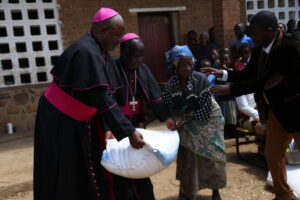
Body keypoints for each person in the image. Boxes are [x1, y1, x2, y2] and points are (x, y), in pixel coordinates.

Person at [34, 8, 146, 200]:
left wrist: (107, 126)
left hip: (79, 120)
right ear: (103, 29)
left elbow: (106, 93)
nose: (119, 40)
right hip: (59, 122)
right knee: (66, 172)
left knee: (86, 169)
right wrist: (129, 132)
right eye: (116, 35)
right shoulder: (86, 51)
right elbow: (101, 97)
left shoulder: (100, 50)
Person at [201, 11, 300, 200]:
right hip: (274, 112)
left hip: (296, 112)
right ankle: (283, 195)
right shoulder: (259, 49)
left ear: (269, 31)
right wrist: (223, 74)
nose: (251, 37)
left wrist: (231, 90)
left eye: (254, 32)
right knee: (273, 157)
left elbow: (265, 81)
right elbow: (248, 75)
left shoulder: (288, 48)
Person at [106, 33, 175, 200]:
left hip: (138, 126)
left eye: (142, 56)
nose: (140, 60)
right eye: (137, 56)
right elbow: (105, 103)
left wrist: (166, 118)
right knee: (121, 169)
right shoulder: (111, 68)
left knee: (140, 165)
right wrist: (108, 128)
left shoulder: (142, 70)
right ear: (124, 53)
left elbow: (155, 97)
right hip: (117, 128)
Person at [163, 45, 226, 200]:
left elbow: (205, 108)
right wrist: (173, 122)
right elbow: (168, 108)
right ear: (175, 66)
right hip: (188, 118)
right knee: (188, 155)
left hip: (210, 118)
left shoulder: (201, 80)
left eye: (190, 64)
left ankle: (215, 191)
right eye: (184, 64)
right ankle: (188, 192)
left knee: (212, 155)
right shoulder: (171, 84)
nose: (188, 67)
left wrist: (184, 122)